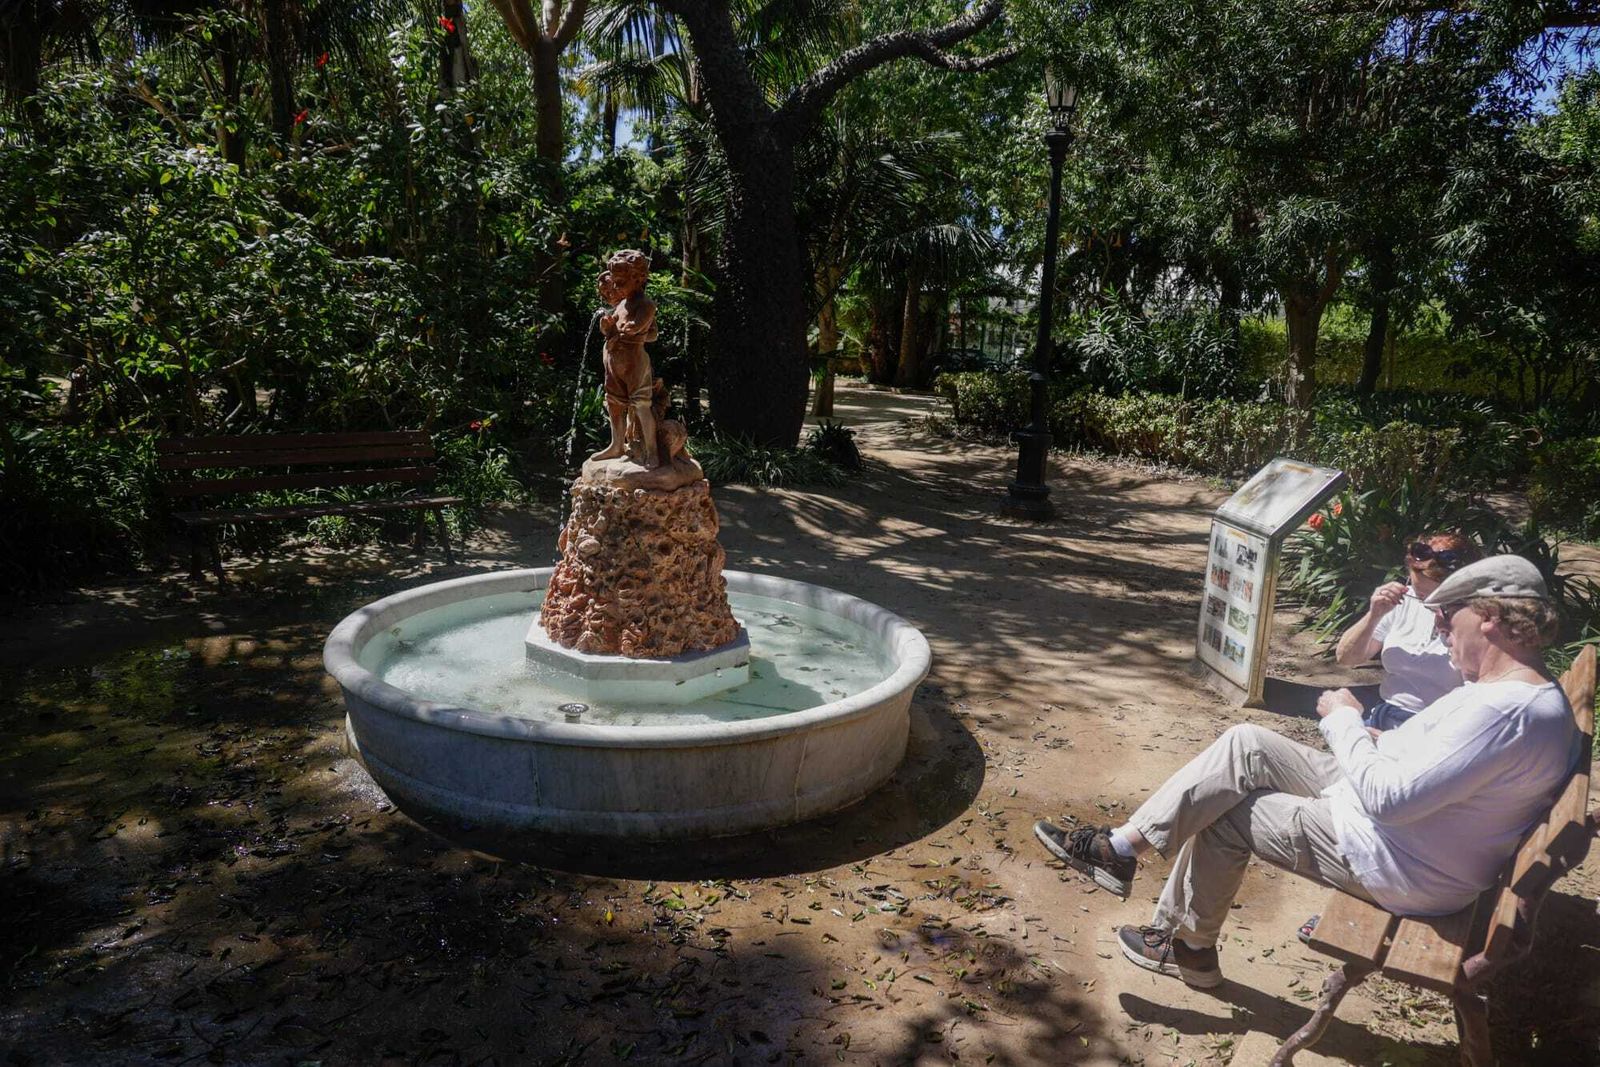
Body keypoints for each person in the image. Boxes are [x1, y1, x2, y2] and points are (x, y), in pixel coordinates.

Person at [1034, 555, 1579, 989]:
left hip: (1397, 861)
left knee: (1231, 814)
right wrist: (1374, 736)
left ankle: (1188, 951)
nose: (1438, 630)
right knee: (1247, 743)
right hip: (1404, 830)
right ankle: (1122, 849)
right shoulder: (1518, 695)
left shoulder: (1501, 711)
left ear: (1489, 617)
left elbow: (1391, 800)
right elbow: (1430, 765)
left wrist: (1345, 722)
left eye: (1445, 616)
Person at [1335, 532, 1481, 732]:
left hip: (1436, 726)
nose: (1422, 602)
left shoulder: (1477, 620)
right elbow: (1346, 658)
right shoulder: (1406, 600)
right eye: (1416, 591)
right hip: (1385, 713)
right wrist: (1374, 615)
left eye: (1431, 597)